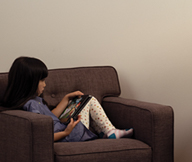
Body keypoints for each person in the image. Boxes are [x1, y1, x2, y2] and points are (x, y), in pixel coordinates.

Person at [0, 56, 133, 142]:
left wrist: (66, 99)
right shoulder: (31, 106)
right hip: (69, 136)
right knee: (89, 100)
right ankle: (109, 131)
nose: (45, 84)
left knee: (87, 100)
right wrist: (66, 132)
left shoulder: (34, 102)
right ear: (29, 82)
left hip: (66, 130)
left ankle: (106, 132)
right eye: (42, 80)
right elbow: (43, 136)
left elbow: (50, 117)